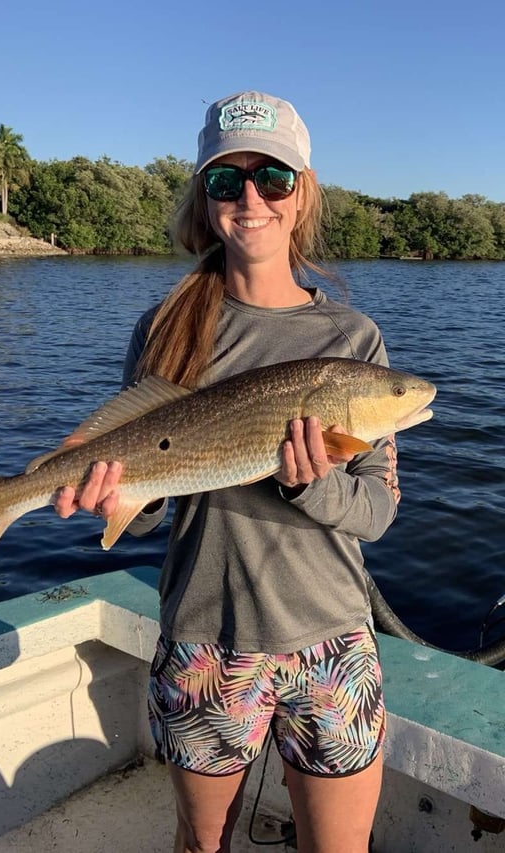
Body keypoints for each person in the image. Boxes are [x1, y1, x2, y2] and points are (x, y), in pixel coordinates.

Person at [56, 91, 399, 853]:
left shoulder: (354, 340)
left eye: (272, 176)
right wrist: (119, 497)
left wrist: (312, 482)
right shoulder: (166, 325)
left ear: (302, 189)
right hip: (205, 639)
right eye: (225, 179)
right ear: (203, 196)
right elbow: (147, 504)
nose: (250, 197)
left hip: (332, 641)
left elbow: (376, 511)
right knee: (198, 843)